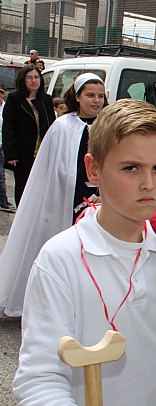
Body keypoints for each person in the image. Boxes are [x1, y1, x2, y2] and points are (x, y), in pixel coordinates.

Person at [12, 98, 156, 406]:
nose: (149, 185)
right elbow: (39, 378)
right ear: (93, 169)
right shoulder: (60, 259)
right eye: (131, 168)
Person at [0, 73, 107, 317]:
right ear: (77, 96)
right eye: (90, 95)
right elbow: (50, 168)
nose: (96, 101)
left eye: (100, 96)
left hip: (99, 198)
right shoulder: (62, 127)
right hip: (64, 199)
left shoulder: (107, 125)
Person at [2, 64, 55, 206]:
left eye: (37, 77)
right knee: (23, 187)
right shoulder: (14, 99)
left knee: (42, 188)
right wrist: (11, 153)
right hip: (23, 153)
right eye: (29, 77)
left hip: (42, 153)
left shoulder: (46, 100)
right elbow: (8, 127)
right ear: (23, 80)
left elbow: (52, 126)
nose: (33, 81)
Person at [0, 83, 15, 213]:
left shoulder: (5, 107)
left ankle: (3, 201)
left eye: (1, 94)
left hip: (1, 146)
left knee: (1, 175)